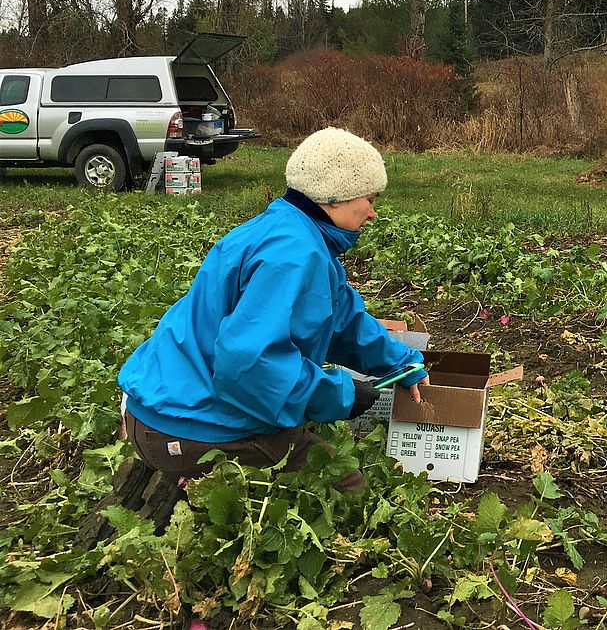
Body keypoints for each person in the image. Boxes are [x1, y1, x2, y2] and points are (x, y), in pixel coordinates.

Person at [118, 127, 429, 494]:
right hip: (188, 426)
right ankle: (202, 477)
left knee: (293, 428)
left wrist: (401, 362)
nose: (373, 213)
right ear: (335, 197)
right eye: (370, 199)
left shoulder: (286, 230)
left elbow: (342, 321)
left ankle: (196, 476)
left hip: (158, 408)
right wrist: (339, 396)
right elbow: (248, 361)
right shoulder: (296, 255)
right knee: (348, 488)